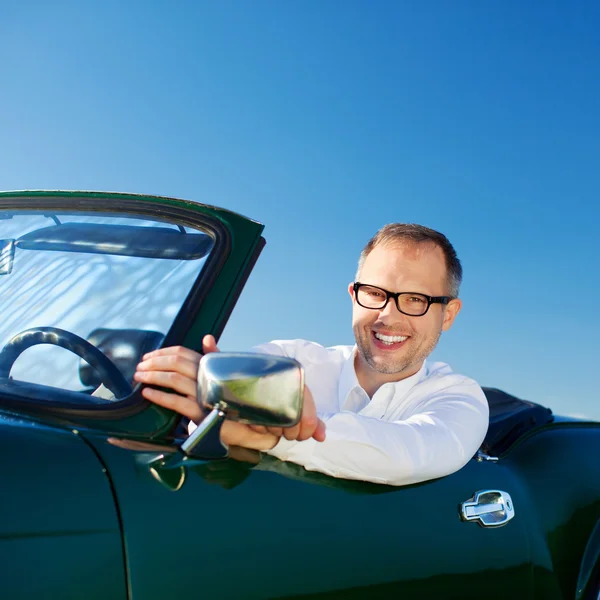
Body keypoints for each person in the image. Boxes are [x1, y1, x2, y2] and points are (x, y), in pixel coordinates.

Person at [134, 223, 489, 486]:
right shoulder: (290, 360)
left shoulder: (458, 397)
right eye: (375, 293)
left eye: (416, 300)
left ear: (449, 314)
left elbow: (410, 454)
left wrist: (275, 435)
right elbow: (212, 417)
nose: (388, 316)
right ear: (354, 295)